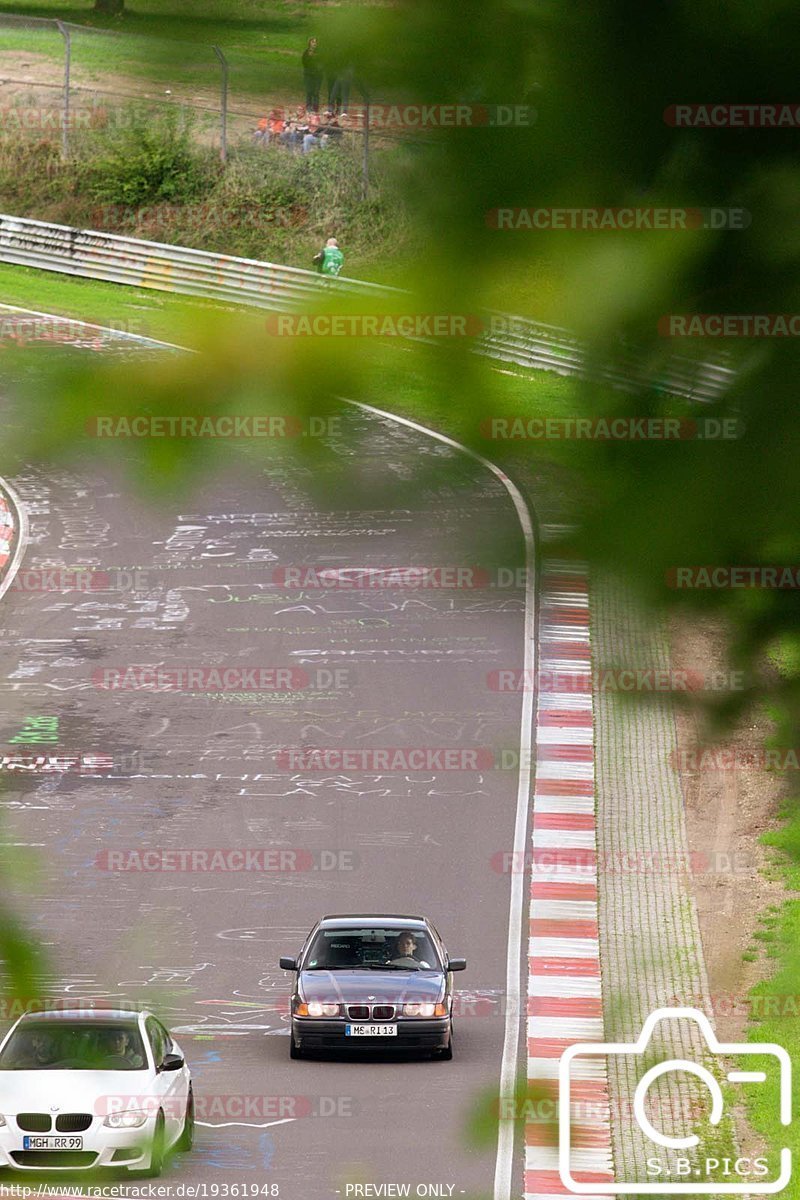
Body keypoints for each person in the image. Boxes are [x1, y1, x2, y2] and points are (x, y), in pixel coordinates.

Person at [302, 37, 323, 112]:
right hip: (308, 74)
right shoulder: (306, 52)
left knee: (316, 92)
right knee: (309, 91)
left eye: (315, 42)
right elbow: (304, 63)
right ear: (309, 43)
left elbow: (322, 63)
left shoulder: (320, 52)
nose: (314, 43)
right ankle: (308, 106)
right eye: (312, 42)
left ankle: (315, 108)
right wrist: (309, 57)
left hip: (318, 75)